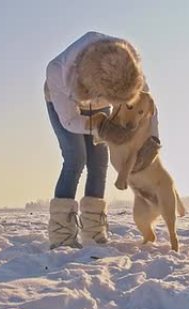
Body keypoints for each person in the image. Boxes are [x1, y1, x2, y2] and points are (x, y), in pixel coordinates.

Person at [44, 31, 159, 249]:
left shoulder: (127, 61)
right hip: (66, 104)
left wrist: (152, 140)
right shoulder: (57, 72)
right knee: (75, 159)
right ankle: (62, 234)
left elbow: (148, 104)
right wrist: (102, 127)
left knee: (99, 163)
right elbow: (69, 121)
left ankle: (94, 231)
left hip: (104, 94)